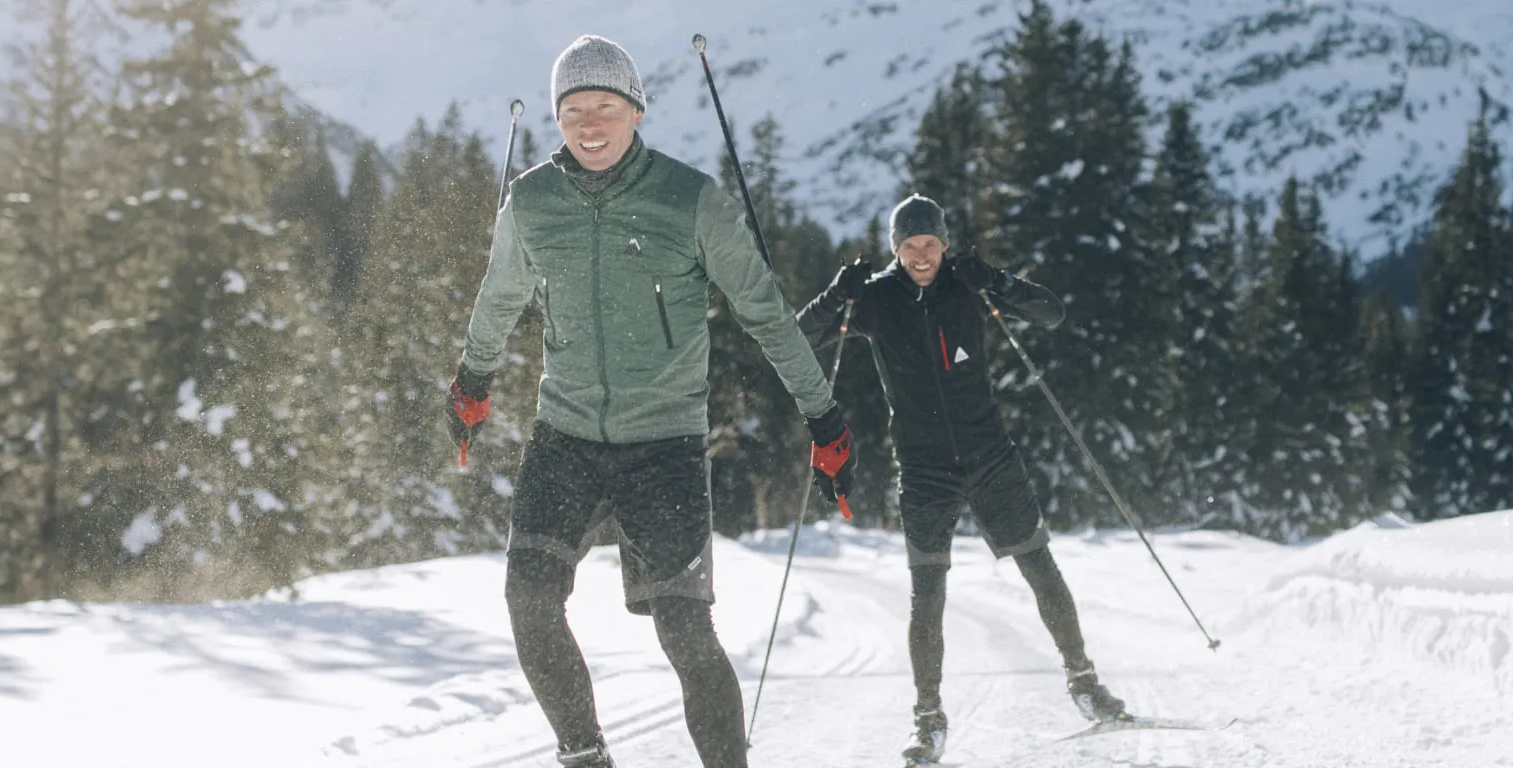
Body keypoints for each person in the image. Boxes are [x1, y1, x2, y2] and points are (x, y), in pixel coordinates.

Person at [445, 34, 855, 768]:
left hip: (664, 445)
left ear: (637, 110)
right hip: (565, 436)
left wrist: (823, 417)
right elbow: (498, 296)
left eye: (605, 106)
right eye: (573, 109)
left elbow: (765, 313)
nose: (590, 124)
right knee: (529, 600)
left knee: (685, 632)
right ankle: (585, 756)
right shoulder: (532, 201)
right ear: (557, 118)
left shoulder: (689, 200)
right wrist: (471, 383)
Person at [795, 194, 1127, 766]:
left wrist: (996, 279)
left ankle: (1084, 682)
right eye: (910, 246)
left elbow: (1051, 313)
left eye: (931, 244)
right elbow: (796, 339)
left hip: (991, 456)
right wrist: (835, 294)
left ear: (945, 245)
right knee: (927, 594)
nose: (922, 255)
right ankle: (928, 721)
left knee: (1040, 568)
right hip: (923, 469)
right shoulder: (874, 298)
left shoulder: (968, 285)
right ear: (895, 249)